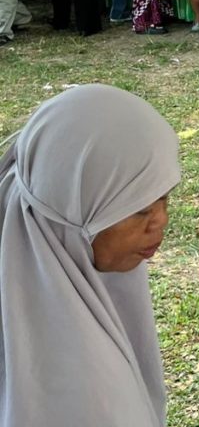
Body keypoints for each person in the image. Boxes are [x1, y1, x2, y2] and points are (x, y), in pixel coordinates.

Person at [0, 83, 181, 425]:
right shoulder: (81, 394)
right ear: (70, 210)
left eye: (164, 198)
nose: (161, 221)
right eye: (139, 208)